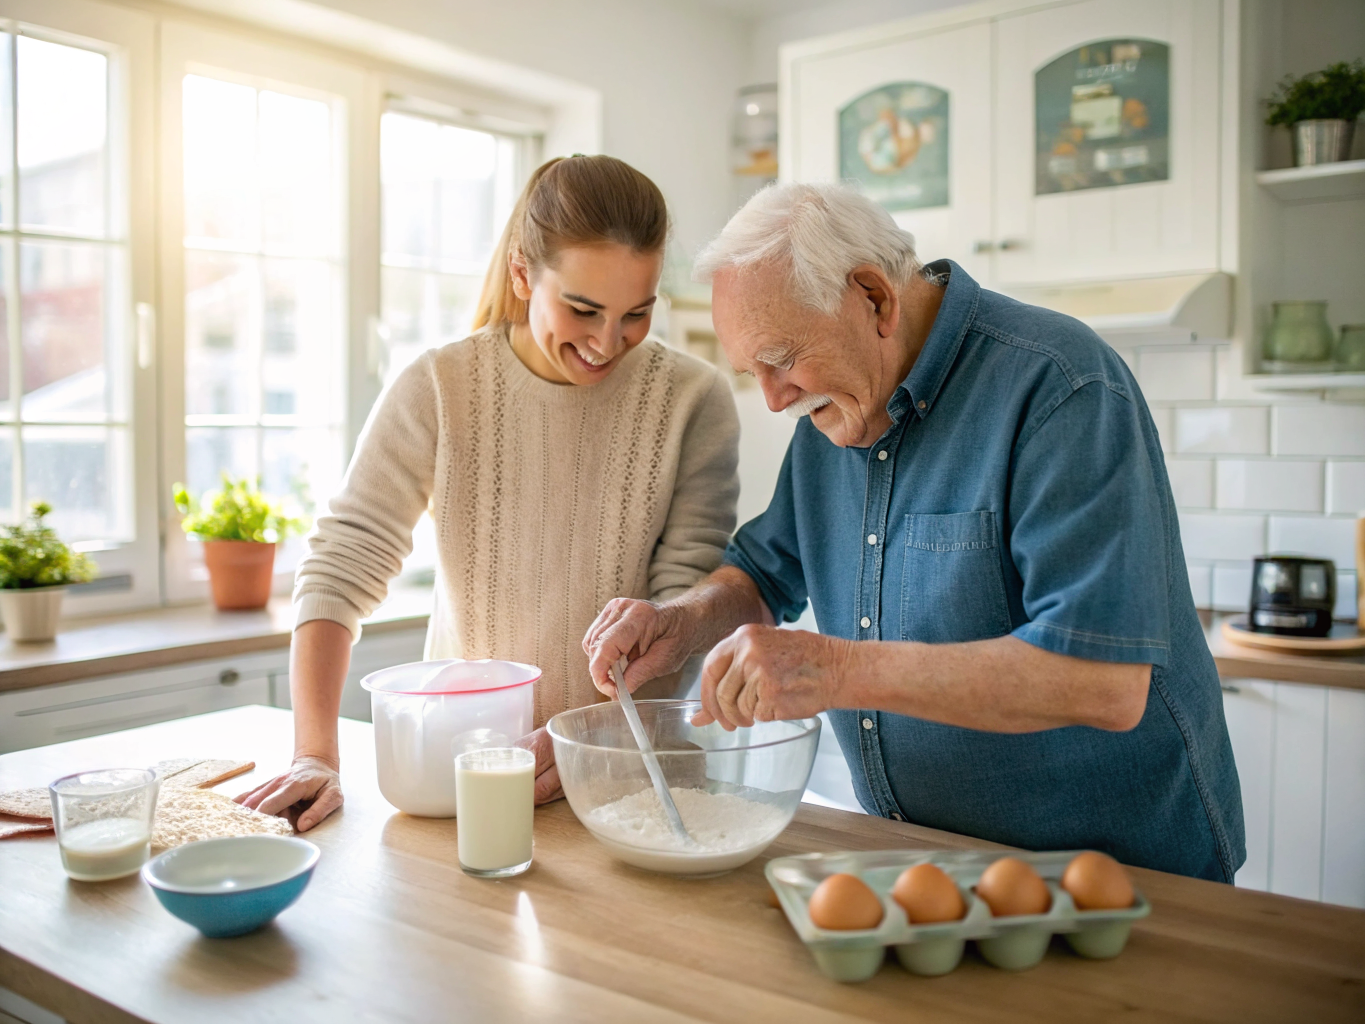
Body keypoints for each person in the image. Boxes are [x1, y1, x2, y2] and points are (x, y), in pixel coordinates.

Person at [584, 181, 1245, 881]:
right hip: (924, 867)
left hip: (1115, 875)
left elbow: (1100, 682)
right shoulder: (832, 409)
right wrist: (680, 621)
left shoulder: (1059, 386)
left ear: (872, 297)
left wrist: (833, 670)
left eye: (780, 359)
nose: (775, 399)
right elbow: (764, 573)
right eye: (754, 372)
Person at [238, 155, 739, 830]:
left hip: (633, 783)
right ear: (523, 273)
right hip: (466, 781)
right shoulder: (441, 387)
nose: (606, 341)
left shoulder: (693, 400)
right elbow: (342, 562)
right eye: (583, 308)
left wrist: (596, 741)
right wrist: (314, 755)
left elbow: (679, 606)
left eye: (636, 314)